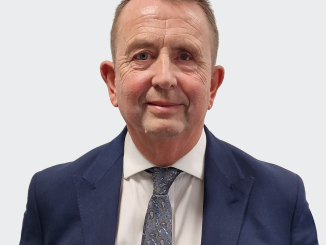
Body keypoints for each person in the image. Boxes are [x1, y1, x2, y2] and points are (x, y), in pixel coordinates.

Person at [19, 0, 319, 244]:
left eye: (185, 56)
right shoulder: (50, 197)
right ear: (112, 83)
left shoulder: (282, 200)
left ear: (212, 86)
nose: (164, 77)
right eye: (143, 55)